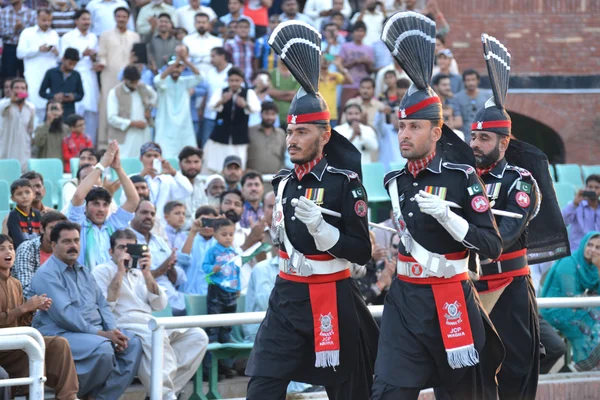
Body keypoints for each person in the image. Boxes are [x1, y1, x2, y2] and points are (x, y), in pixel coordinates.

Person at [372, 14, 503, 399]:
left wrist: (451, 219)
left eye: (414, 127)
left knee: (462, 394)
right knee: (389, 391)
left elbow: (491, 246)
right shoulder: (394, 181)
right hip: (405, 298)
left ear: (436, 131)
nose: (405, 134)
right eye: (401, 127)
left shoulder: (462, 177)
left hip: (450, 295)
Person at [246, 21, 379, 400]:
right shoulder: (283, 181)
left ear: (324, 136)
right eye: (290, 132)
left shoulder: (344, 182)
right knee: (261, 385)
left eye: (302, 133)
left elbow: (362, 251)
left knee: (347, 390)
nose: (292, 140)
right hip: (286, 296)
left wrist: (324, 232)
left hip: (331, 295)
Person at [464, 35, 550, 399]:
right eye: (473, 137)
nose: (475, 145)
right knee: (469, 371)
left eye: (484, 139)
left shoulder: (520, 182)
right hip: (469, 287)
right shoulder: (463, 178)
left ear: (504, 142)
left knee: (514, 370)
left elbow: (508, 234)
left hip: (509, 286)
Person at [30, 221, 143, 399]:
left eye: (76, 240)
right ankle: (71, 394)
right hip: (62, 333)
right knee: (104, 350)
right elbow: (64, 315)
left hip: (93, 334)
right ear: (54, 245)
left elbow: (102, 304)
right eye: (67, 241)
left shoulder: (83, 271)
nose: (73, 246)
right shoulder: (47, 274)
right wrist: (102, 334)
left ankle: (100, 397)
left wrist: (112, 330)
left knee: (133, 343)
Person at [92, 229, 208, 399]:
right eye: (122, 248)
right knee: (155, 337)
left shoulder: (141, 272)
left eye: (131, 249)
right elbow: (105, 307)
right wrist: (119, 272)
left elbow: (160, 304)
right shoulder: (101, 271)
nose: (126, 253)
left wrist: (147, 274)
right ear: (111, 251)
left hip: (149, 322)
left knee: (197, 336)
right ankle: (165, 394)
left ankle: (160, 393)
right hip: (123, 325)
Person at [0, 233, 80, 400]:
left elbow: (22, 321)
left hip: (17, 343)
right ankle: (34, 395)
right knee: (32, 349)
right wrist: (24, 308)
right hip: (4, 347)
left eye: (11, 248)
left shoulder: (15, 283)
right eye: (1, 249)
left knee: (59, 344)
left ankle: (68, 396)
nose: (8, 252)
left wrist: (34, 309)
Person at [67, 140, 140, 269]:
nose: (101, 209)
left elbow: (134, 200)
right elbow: (78, 196)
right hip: (85, 283)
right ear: (86, 206)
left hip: (111, 281)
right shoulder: (78, 223)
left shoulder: (113, 224)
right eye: (96, 204)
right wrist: (102, 165)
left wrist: (118, 168)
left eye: (105, 205)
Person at [541, 231, 600, 371]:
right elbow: (571, 296)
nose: (592, 250)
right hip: (556, 310)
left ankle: (590, 363)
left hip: (576, 307)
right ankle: (581, 366)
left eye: (598, 248)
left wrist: (599, 268)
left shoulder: (592, 268)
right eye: (590, 245)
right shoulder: (569, 263)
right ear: (583, 244)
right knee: (589, 326)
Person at [130, 200, 188, 315]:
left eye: (152, 214)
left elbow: (178, 280)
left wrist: (170, 267)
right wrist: (162, 269)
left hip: (175, 302)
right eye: (144, 212)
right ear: (133, 214)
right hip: (148, 306)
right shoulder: (128, 240)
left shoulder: (159, 241)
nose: (149, 217)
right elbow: (133, 280)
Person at [96, 6, 141, 149]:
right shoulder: (105, 35)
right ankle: (103, 144)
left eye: (124, 17)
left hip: (128, 77)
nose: (121, 19)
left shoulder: (134, 36)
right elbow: (101, 55)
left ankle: (125, 144)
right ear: (115, 18)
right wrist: (101, 64)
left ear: (128, 19)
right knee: (106, 106)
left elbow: (137, 57)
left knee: (126, 105)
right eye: (119, 16)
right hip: (109, 74)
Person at [204, 67, 261, 173]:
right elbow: (210, 106)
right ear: (228, 80)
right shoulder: (221, 91)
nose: (234, 83)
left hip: (239, 136)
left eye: (237, 80)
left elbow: (256, 108)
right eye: (231, 80)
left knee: (237, 165)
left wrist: (245, 105)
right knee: (217, 165)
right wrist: (222, 101)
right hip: (221, 135)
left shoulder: (248, 93)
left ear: (242, 81)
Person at [60, 8, 101, 145]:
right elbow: (63, 58)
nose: (86, 22)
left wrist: (94, 57)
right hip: (74, 76)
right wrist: (82, 54)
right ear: (76, 21)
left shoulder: (93, 37)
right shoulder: (68, 37)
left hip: (90, 75)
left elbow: (97, 58)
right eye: (83, 19)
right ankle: (72, 145)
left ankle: (90, 145)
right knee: (76, 111)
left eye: (88, 19)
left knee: (91, 113)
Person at [154, 53, 203, 159]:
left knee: (186, 156)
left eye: (178, 67)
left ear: (183, 68)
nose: (175, 69)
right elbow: (158, 81)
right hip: (165, 125)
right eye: (173, 66)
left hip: (183, 126)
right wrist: (175, 64)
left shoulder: (185, 82)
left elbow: (199, 77)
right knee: (164, 154)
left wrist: (186, 62)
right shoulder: (164, 82)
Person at [16, 8, 60, 123]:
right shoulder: (27, 32)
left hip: (50, 75)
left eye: (49, 21)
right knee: (33, 105)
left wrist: (56, 52)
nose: (46, 23)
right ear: (37, 18)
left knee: (50, 105)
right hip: (33, 74)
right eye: (44, 20)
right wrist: (38, 50)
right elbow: (19, 53)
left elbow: (60, 57)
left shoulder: (54, 34)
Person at [12, 211, 67, 298]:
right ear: (42, 229)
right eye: (52, 228)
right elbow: (25, 288)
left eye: (60, 229)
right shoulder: (27, 248)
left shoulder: (64, 250)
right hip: (30, 305)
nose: (57, 232)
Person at [107, 65, 157, 158]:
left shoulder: (142, 88)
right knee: (125, 161)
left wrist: (148, 109)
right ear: (124, 79)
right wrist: (132, 123)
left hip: (143, 134)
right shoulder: (115, 93)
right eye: (132, 82)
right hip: (125, 136)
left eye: (136, 82)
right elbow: (111, 118)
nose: (135, 85)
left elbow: (155, 99)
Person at [203, 218, 240, 341]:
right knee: (214, 323)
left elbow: (237, 271)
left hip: (231, 291)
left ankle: (225, 354)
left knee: (227, 323)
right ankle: (210, 354)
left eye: (231, 234)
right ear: (215, 235)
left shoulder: (234, 252)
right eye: (224, 234)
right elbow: (204, 266)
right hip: (217, 290)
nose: (228, 238)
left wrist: (238, 287)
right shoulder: (212, 251)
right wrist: (213, 268)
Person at [138, 142, 194, 223]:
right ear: (141, 158)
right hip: (141, 224)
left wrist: (173, 172)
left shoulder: (168, 180)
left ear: (161, 158)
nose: (152, 159)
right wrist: (142, 175)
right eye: (148, 156)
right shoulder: (134, 177)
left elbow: (188, 190)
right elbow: (125, 198)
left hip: (163, 226)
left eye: (156, 156)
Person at [181, 205, 219, 294]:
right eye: (203, 222)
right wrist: (193, 231)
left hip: (214, 293)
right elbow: (183, 259)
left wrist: (222, 227)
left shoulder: (220, 241)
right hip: (191, 292)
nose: (206, 227)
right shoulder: (190, 239)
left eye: (210, 222)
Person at [39, 47, 84, 120]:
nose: (72, 66)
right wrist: (54, 96)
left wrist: (73, 97)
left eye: (74, 64)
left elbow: (81, 94)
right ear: (63, 59)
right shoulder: (51, 73)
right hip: (53, 111)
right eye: (70, 63)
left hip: (69, 113)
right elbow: (41, 92)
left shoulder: (76, 75)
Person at [0, 79, 36, 172]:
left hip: (23, 150)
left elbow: (30, 129)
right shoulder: (4, 104)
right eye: (16, 88)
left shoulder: (30, 108)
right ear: (11, 90)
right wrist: (12, 100)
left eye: (22, 88)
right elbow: (3, 111)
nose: (19, 90)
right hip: (6, 149)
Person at [201, 47, 232, 148]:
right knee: (206, 143)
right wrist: (201, 108)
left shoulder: (231, 71)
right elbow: (206, 92)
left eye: (213, 56)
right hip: (209, 114)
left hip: (226, 115)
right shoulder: (210, 72)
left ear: (222, 56)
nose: (211, 59)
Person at [339, 21, 374, 107]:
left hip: (364, 86)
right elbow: (340, 66)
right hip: (349, 84)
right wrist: (354, 62)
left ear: (365, 34)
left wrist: (366, 63)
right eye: (357, 31)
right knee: (346, 108)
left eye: (362, 31)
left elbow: (370, 70)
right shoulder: (345, 46)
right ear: (352, 33)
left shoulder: (369, 49)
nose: (359, 33)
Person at [246, 102, 287, 174]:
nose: (270, 117)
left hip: (275, 179)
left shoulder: (281, 134)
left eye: (273, 114)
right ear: (260, 114)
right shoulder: (250, 131)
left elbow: (285, 156)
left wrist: (281, 171)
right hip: (253, 179)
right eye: (267, 114)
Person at [562, 174, 600, 252]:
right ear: (585, 188)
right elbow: (562, 221)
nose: (593, 190)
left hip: (597, 252)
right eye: (590, 187)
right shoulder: (576, 206)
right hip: (577, 251)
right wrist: (574, 204)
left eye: (596, 188)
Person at [0, 0, 37, 80]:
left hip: (26, 49)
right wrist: (14, 29)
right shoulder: (2, 13)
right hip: (9, 48)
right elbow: (1, 32)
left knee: (26, 76)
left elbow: (34, 33)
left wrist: (23, 28)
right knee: (8, 77)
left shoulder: (31, 13)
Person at [454, 69, 491, 140]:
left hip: (484, 133)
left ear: (478, 81)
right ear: (464, 82)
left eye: (473, 80)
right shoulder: (457, 98)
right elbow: (457, 117)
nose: (471, 83)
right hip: (465, 136)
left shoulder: (487, 96)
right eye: (468, 80)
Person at [7, 179, 41, 249]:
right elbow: (19, 241)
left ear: (34, 194)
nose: (24, 196)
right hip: (21, 253)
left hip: (38, 252)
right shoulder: (13, 215)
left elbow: (43, 237)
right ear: (12, 198)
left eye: (27, 192)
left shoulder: (38, 214)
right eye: (19, 194)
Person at [178, 146, 208, 223]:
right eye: (188, 162)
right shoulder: (172, 182)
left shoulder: (201, 184)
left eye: (196, 162)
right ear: (180, 164)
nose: (192, 166)